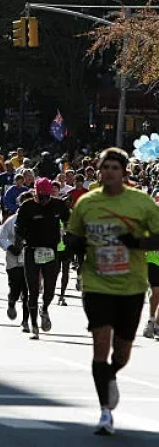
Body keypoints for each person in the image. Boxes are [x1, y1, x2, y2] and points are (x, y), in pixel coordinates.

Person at [66, 147, 159, 435]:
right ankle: (105, 412)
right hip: (97, 283)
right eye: (104, 168)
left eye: (114, 168)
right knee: (100, 343)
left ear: (124, 173)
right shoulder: (87, 203)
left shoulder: (141, 203)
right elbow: (73, 236)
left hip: (131, 285)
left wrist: (135, 243)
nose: (108, 172)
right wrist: (74, 249)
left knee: (121, 353)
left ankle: (112, 375)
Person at [15, 177, 70, 340]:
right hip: (32, 250)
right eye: (41, 197)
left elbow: (69, 220)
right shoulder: (27, 206)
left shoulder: (58, 205)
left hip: (51, 251)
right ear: (36, 193)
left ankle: (44, 308)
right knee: (32, 290)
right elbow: (19, 226)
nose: (45, 200)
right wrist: (20, 238)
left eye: (47, 197)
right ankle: (34, 325)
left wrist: (69, 235)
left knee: (50, 288)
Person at [0, 191, 33, 332]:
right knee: (16, 289)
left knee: (28, 292)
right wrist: (10, 247)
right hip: (14, 259)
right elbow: (0, 237)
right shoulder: (13, 220)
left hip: (30, 260)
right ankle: (12, 301)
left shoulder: (37, 219)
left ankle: (25, 321)